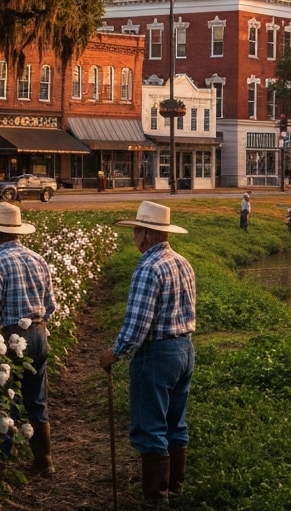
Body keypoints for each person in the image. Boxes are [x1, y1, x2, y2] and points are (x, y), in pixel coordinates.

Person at [102, 201, 196, 507]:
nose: (134, 238)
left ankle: (156, 498)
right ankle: (176, 487)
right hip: (184, 349)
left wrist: (115, 353)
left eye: (136, 231)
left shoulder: (148, 268)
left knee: (150, 426)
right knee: (175, 422)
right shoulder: (182, 262)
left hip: (156, 354)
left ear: (146, 233)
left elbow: (138, 324)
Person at [0, 202, 56, 476]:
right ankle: (44, 461)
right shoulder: (38, 259)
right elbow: (51, 305)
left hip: (9, 338)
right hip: (39, 334)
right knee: (37, 399)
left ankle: (2, 465)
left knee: (4, 399)